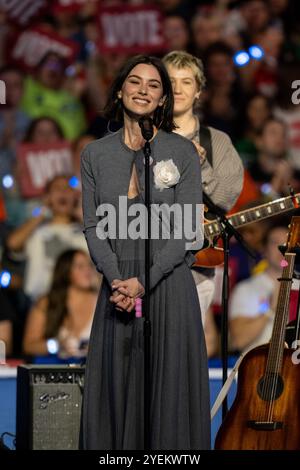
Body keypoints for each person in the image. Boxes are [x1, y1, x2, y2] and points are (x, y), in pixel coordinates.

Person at [80, 54, 210, 450]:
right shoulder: (95, 155)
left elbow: (188, 233)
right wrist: (118, 279)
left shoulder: (183, 153)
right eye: (135, 82)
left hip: (166, 286)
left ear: (163, 100)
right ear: (120, 91)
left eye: (154, 85)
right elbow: (92, 226)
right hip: (118, 286)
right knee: (117, 392)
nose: (143, 90)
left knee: (166, 395)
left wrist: (144, 281)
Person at [162, 50, 244, 323]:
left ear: (199, 91)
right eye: (171, 81)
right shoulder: (140, 136)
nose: (178, 89)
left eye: (186, 82)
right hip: (144, 264)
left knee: (181, 352)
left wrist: (202, 167)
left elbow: (224, 201)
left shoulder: (217, 141)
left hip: (195, 271)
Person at [229, 224, 294, 353]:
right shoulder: (246, 289)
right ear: (264, 250)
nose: (283, 248)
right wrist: (270, 309)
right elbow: (238, 341)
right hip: (256, 369)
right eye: (275, 242)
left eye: (288, 242)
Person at [23, 249, 97, 359]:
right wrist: (56, 346)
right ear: (65, 271)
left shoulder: (101, 301)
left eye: (89, 265)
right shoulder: (47, 302)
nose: (87, 270)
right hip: (57, 370)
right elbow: (28, 346)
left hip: (91, 371)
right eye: (80, 266)